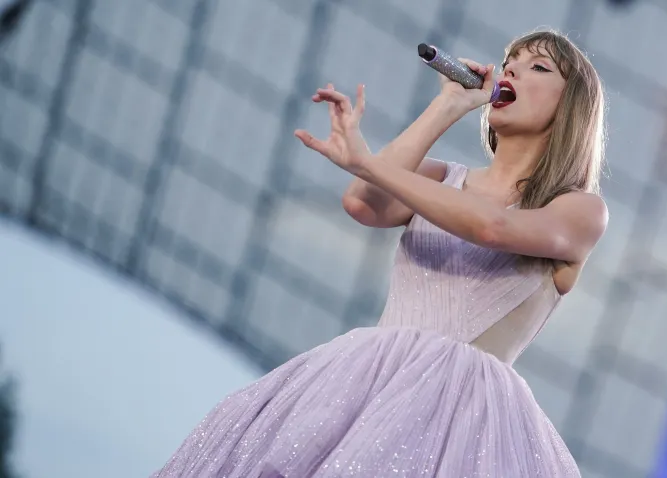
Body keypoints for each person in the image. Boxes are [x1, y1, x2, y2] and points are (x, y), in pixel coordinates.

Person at [153, 28, 608, 478]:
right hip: (365, 384)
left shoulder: (580, 211)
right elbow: (363, 202)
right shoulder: (440, 180)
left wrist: (368, 161)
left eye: (538, 67)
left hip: (469, 422)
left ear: (571, 109)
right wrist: (447, 104)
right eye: (510, 61)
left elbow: (492, 227)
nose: (511, 69)